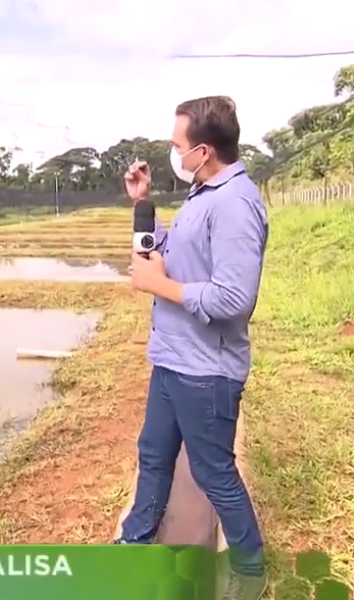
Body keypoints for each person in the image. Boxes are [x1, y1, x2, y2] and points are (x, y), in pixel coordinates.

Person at [118, 96, 270, 598]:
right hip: (172, 357)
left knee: (212, 472)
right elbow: (165, 252)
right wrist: (143, 204)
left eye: (176, 144)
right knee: (154, 455)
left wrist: (158, 286)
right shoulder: (204, 194)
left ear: (203, 151)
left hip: (206, 371)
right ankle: (135, 540)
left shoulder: (235, 203)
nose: (171, 151)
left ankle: (249, 570)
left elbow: (233, 297)